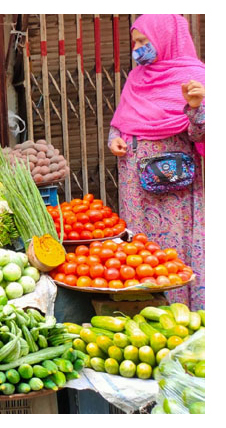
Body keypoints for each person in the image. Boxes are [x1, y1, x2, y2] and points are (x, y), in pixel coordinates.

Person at [108, 14, 205, 310]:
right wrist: (114, 139)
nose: (137, 49)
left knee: (177, 250)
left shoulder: (197, 77)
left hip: (176, 188)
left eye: (143, 41)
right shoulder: (137, 76)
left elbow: (202, 133)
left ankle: (183, 312)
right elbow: (122, 119)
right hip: (136, 187)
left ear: (165, 38)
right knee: (142, 249)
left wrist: (197, 107)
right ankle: (148, 311)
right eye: (135, 42)